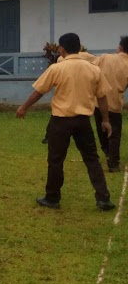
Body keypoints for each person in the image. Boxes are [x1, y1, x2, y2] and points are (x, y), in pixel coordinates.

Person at [16, 33, 115, 211]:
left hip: (61, 121)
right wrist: (106, 120)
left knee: (56, 160)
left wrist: (24, 107)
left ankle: (52, 198)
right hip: (83, 121)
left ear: (62, 49)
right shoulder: (93, 69)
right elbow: (102, 97)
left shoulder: (57, 68)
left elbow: (39, 91)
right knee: (92, 159)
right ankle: (103, 198)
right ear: (79, 47)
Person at [93, 36, 128, 172]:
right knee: (114, 133)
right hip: (115, 103)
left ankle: (108, 153)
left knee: (101, 129)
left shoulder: (105, 57)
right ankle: (113, 162)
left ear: (120, 47)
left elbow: (92, 68)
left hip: (99, 102)